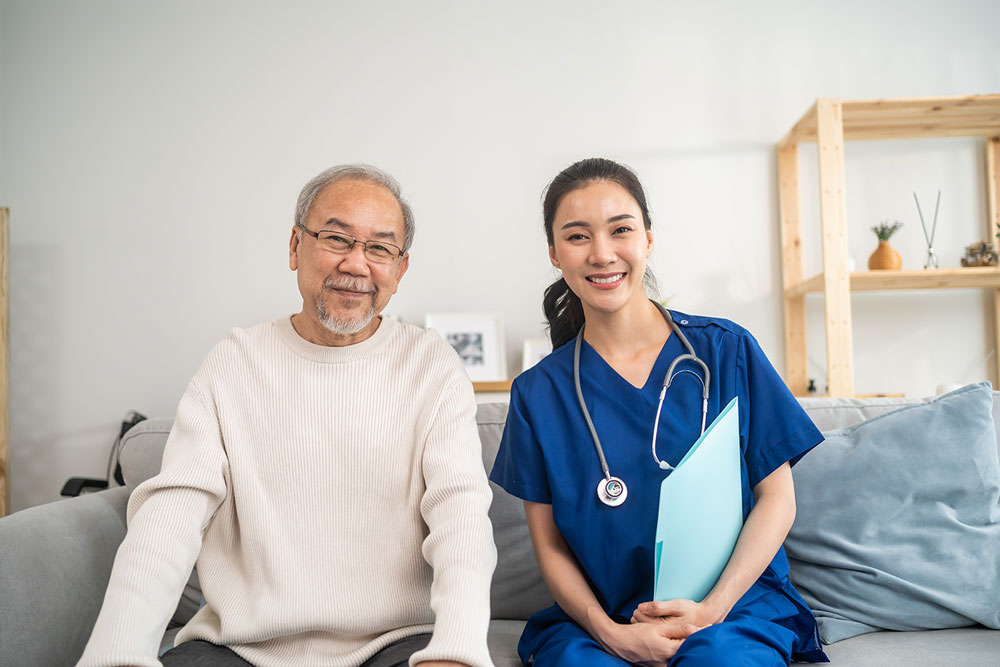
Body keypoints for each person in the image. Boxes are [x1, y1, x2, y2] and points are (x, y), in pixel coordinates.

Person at [78, 164, 497, 667]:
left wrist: (457, 649)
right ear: (295, 246)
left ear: (400, 269)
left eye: (380, 248)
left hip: (394, 641)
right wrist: (118, 654)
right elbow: (170, 515)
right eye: (337, 238)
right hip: (239, 647)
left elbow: (461, 516)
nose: (357, 264)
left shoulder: (430, 365)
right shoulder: (234, 362)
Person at [489, 157, 829, 666]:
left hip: (732, 609)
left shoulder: (726, 351)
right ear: (555, 254)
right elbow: (551, 546)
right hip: (602, 618)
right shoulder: (539, 394)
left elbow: (777, 499)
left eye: (620, 230)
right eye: (578, 236)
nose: (603, 254)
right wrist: (610, 634)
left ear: (648, 238)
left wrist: (711, 611)